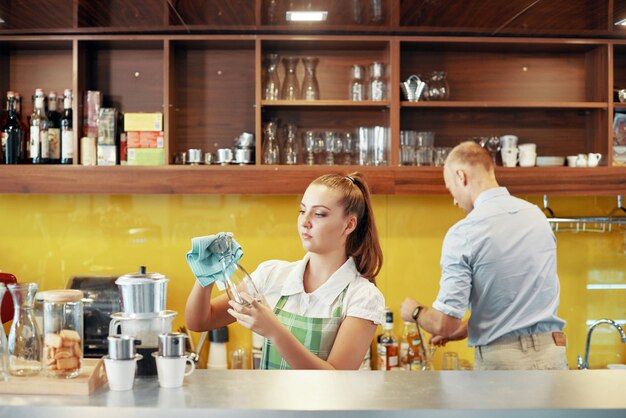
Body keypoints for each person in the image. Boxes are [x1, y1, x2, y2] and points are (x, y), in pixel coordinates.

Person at [185, 172, 385, 370]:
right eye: (302, 211)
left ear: (349, 224)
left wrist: (274, 331)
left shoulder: (363, 296)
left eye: (319, 214)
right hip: (273, 403)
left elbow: (336, 377)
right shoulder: (272, 275)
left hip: (325, 403)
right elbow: (201, 321)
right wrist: (206, 277)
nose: (305, 222)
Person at [400, 141, 568, 370]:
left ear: (462, 176)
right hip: (553, 354)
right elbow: (511, 309)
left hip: (503, 363)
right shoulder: (536, 217)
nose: (455, 201)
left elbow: (444, 324)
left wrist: (415, 311)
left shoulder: (464, 233)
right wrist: (462, 331)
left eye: (451, 189)